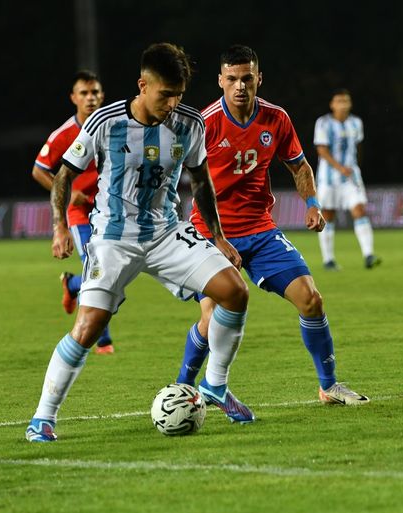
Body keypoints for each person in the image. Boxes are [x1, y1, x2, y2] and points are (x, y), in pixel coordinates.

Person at [25, 42, 253, 442]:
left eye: (179, 94)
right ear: (142, 85)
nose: (172, 103)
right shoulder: (104, 122)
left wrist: (217, 236)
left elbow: (200, 180)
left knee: (234, 291)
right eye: (165, 94)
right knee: (89, 326)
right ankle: (43, 416)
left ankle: (215, 384)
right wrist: (60, 226)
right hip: (114, 237)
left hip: (166, 232)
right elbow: (62, 175)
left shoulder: (189, 123)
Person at [175, 45, 369, 411]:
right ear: (220, 81)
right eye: (231, 79)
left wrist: (312, 204)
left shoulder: (276, 119)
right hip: (210, 231)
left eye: (247, 78)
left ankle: (329, 386)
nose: (240, 87)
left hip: (260, 228)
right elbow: (180, 178)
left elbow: (299, 166)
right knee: (211, 315)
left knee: (311, 299)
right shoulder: (205, 124)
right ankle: (182, 389)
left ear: (258, 78)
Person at [31, 70, 114, 354]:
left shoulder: (112, 126)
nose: (90, 98)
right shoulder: (64, 134)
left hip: (110, 211)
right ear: (73, 98)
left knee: (112, 269)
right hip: (79, 214)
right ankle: (103, 341)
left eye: (95, 93)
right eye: (84, 93)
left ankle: (72, 283)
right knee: (97, 267)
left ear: (102, 96)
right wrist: (67, 193)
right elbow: (39, 170)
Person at [314, 89, 380, 270]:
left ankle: (368, 255)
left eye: (346, 101)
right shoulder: (324, 123)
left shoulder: (356, 123)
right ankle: (328, 259)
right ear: (332, 104)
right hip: (328, 178)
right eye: (339, 101)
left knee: (359, 210)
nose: (343, 104)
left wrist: (353, 167)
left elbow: (358, 147)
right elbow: (321, 150)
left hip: (351, 177)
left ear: (350, 104)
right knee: (327, 215)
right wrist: (339, 167)